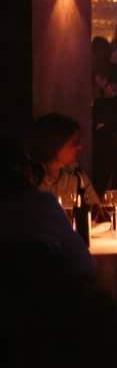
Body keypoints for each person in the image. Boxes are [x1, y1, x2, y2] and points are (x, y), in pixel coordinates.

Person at [1, 134, 96, 280]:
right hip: (48, 290)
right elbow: (86, 267)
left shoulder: (76, 177)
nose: (79, 146)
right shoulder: (41, 204)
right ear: (23, 170)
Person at [29, 113, 102, 212]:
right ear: (55, 145)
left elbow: (96, 209)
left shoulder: (77, 176)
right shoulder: (31, 181)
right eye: (75, 142)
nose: (80, 146)